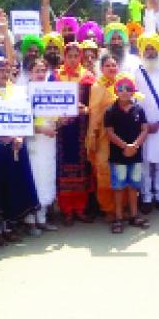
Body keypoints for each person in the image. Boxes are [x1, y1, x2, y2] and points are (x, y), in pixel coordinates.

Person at [0, 57, 40, 244]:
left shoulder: (18, 92)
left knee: (11, 188)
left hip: (15, 148)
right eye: (1, 70)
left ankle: (8, 227)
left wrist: (19, 136)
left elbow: (24, 118)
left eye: (8, 71)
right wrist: (0, 136)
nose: (5, 74)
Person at [54, 42, 96, 225]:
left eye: (75, 56)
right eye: (69, 56)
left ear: (80, 57)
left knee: (82, 167)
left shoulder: (88, 77)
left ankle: (80, 208)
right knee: (63, 167)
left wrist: (86, 109)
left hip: (81, 128)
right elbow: (49, 102)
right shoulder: (56, 77)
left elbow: (94, 103)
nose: (72, 59)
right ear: (64, 57)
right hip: (63, 129)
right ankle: (67, 210)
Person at [104, 75, 150, 233]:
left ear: (133, 91)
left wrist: (135, 145)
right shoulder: (110, 110)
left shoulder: (139, 109)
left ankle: (134, 215)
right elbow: (109, 133)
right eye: (121, 88)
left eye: (128, 89)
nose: (124, 92)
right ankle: (118, 217)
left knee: (133, 186)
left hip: (135, 156)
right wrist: (125, 146)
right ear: (116, 90)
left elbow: (145, 129)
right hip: (118, 157)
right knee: (118, 187)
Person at [133, 32, 159, 213]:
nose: (149, 52)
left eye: (152, 48)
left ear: (158, 50)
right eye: (146, 49)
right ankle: (146, 198)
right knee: (145, 164)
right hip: (143, 127)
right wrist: (143, 123)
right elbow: (132, 99)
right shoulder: (136, 71)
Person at [88, 54, 124, 222]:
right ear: (101, 68)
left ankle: (121, 207)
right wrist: (92, 136)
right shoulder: (97, 86)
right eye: (108, 65)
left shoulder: (121, 84)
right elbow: (94, 113)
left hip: (121, 135)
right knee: (104, 172)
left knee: (121, 170)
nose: (111, 68)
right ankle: (108, 208)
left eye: (114, 65)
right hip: (103, 136)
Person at [25, 58, 59, 235]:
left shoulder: (50, 91)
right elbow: (20, 122)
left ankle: (43, 219)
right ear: (30, 73)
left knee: (47, 175)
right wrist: (41, 129)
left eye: (43, 70)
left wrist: (62, 119)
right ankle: (31, 222)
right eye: (37, 70)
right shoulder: (24, 93)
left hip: (49, 141)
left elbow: (57, 115)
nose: (40, 74)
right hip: (34, 141)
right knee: (34, 178)